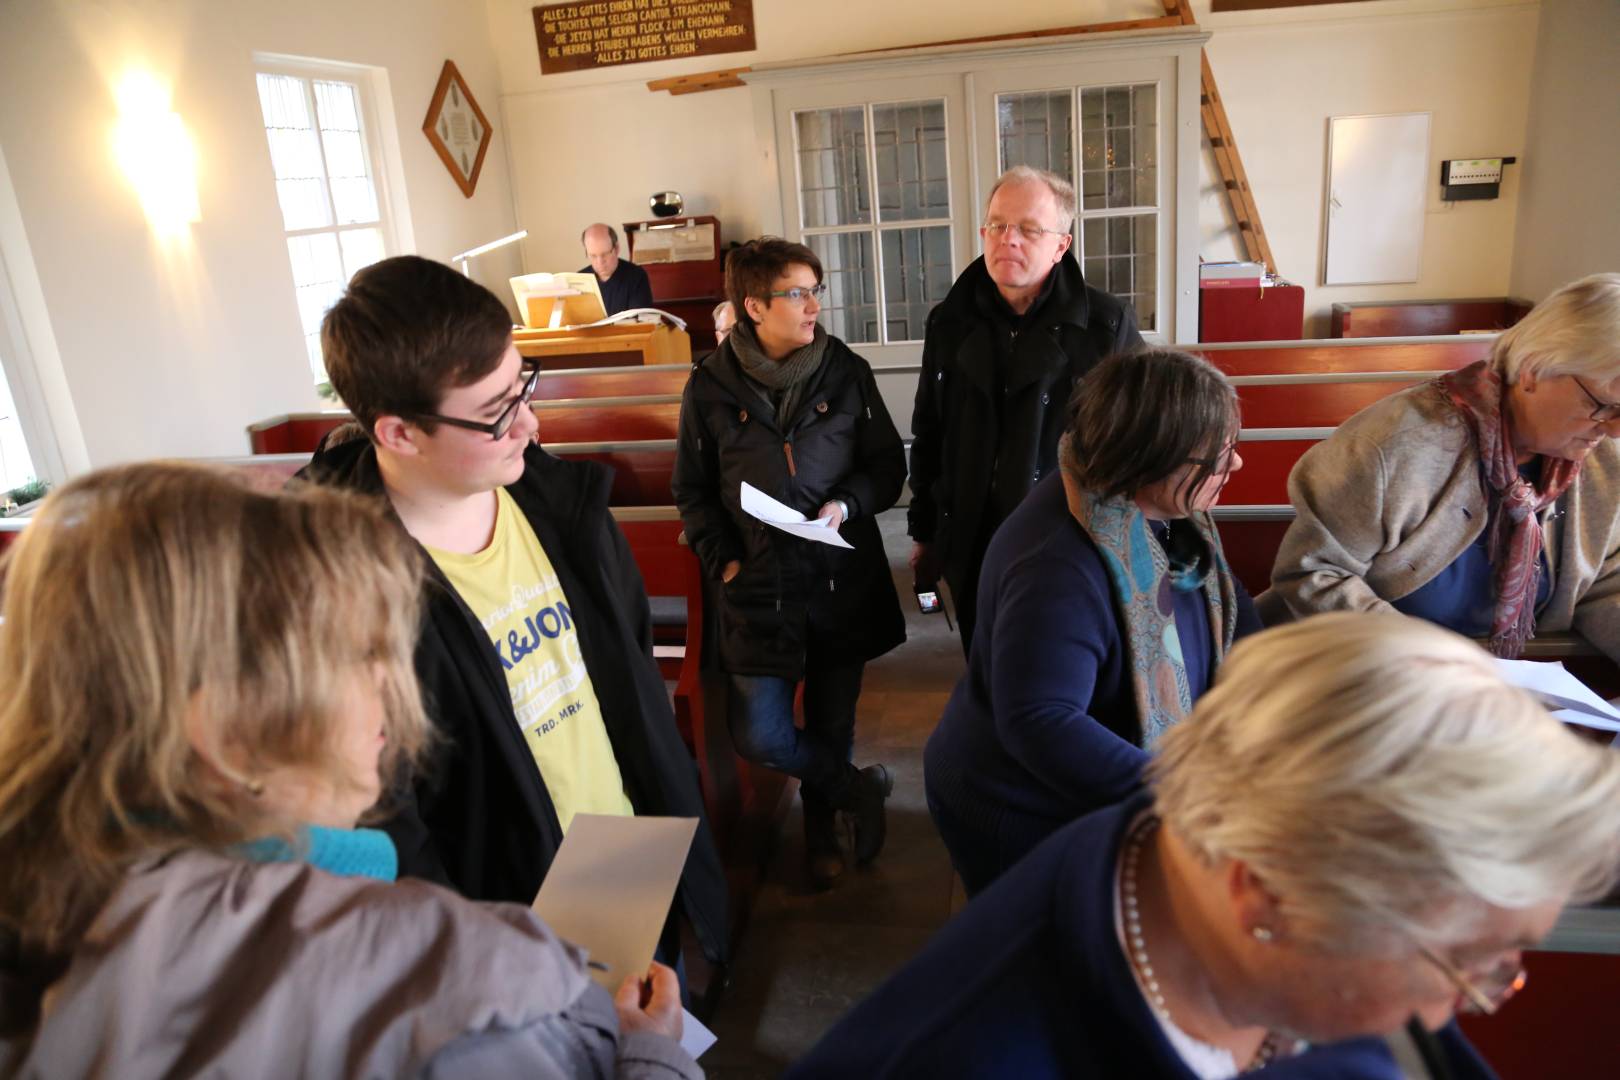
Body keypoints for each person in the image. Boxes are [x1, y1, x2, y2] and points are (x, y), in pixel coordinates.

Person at [0, 463, 698, 1077]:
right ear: (227, 736)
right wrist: (648, 1058)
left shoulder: (49, 907)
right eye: (359, 657)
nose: (392, 692)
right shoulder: (445, 982)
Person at [793, 612, 1620, 1079]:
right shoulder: (964, 1057)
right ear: (1268, 896)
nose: (1485, 999)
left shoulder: (1178, 858)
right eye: (1470, 964)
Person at [301, 255, 727, 975]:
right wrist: (475, 967)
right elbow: (387, 815)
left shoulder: (558, 503)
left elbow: (623, 675)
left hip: (624, 853)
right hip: (504, 916)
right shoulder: (333, 589)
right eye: (496, 411)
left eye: (521, 384)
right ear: (399, 433)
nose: (529, 422)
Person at [925, 348, 1259, 897]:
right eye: (1219, 454)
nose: (1235, 465)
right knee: (1050, 961)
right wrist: (1189, 794)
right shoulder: (1057, 563)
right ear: (1155, 457)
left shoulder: (1166, 515)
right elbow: (1042, 721)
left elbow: (1233, 612)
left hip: (1100, 795)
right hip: (1024, 810)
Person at [672, 238, 906, 889]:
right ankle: (857, 788)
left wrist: (847, 504)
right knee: (762, 735)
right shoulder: (711, 387)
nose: (814, 305)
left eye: (815, 290)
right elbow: (691, 489)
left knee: (833, 721)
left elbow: (888, 467)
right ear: (753, 306)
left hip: (837, 579)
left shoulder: (845, 371)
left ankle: (821, 826)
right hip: (757, 588)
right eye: (797, 293)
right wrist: (725, 564)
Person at [1263, 273, 1620, 660]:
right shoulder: (1393, 448)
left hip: (1505, 686)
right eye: (1604, 406)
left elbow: (1607, 581)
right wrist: (1436, 666)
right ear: (1534, 371)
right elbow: (1313, 577)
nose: (1615, 431)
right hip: (1367, 674)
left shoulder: (1602, 464)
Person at [907, 165, 1146, 654]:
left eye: (1029, 229)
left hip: (1068, 539)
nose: (1007, 240)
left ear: (1062, 245)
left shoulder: (1106, 325)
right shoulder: (948, 321)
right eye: (997, 225)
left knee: (1051, 673)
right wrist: (925, 532)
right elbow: (930, 429)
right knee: (985, 666)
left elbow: (1137, 442)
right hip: (972, 538)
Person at [581, 223, 655, 315]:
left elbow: (641, 323)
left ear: (616, 249)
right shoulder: (579, 280)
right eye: (593, 256)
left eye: (605, 254)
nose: (600, 262)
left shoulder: (636, 276)